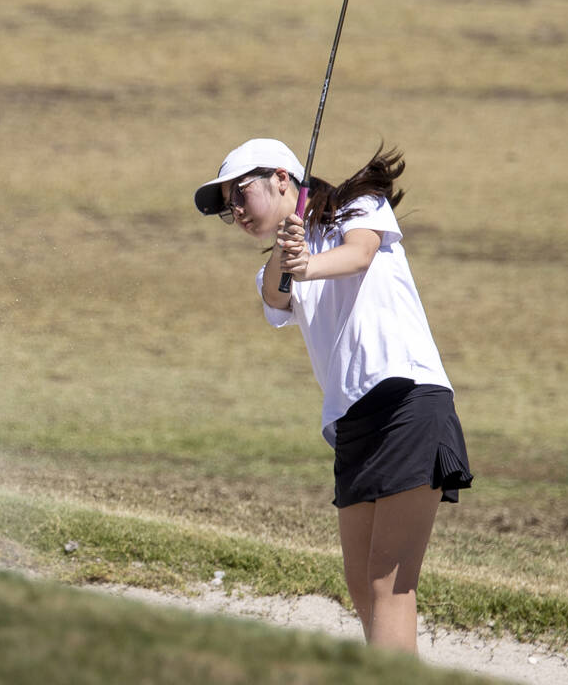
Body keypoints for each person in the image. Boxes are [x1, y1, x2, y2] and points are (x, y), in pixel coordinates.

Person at [193, 137, 473, 654]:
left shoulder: (361, 205)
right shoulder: (277, 263)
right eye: (226, 208)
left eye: (239, 194)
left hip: (405, 400)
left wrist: (306, 264)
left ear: (282, 178)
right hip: (352, 423)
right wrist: (289, 251)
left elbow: (359, 254)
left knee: (389, 584)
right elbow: (276, 293)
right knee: (362, 585)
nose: (234, 211)